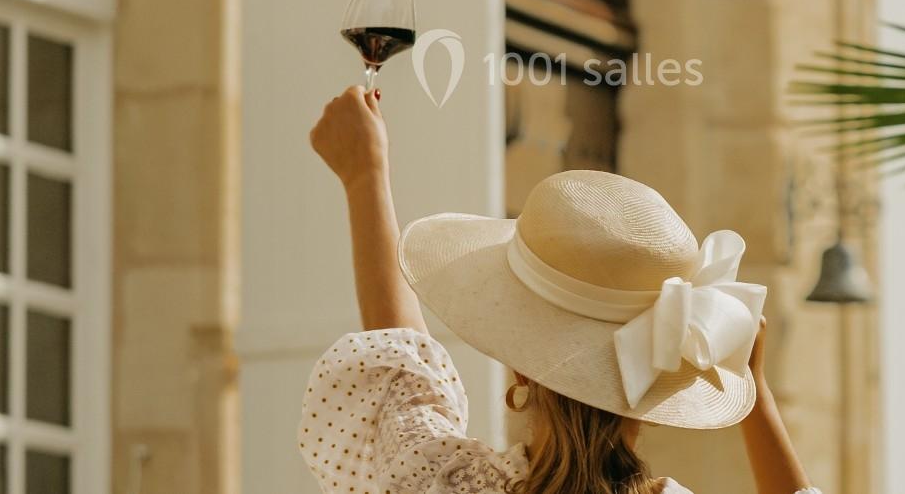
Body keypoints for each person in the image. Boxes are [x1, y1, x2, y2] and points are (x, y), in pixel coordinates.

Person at [302, 85, 819, 494]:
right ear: (660, 388)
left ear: (521, 369)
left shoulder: (444, 481)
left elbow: (402, 368)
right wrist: (755, 395)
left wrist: (365, 175)